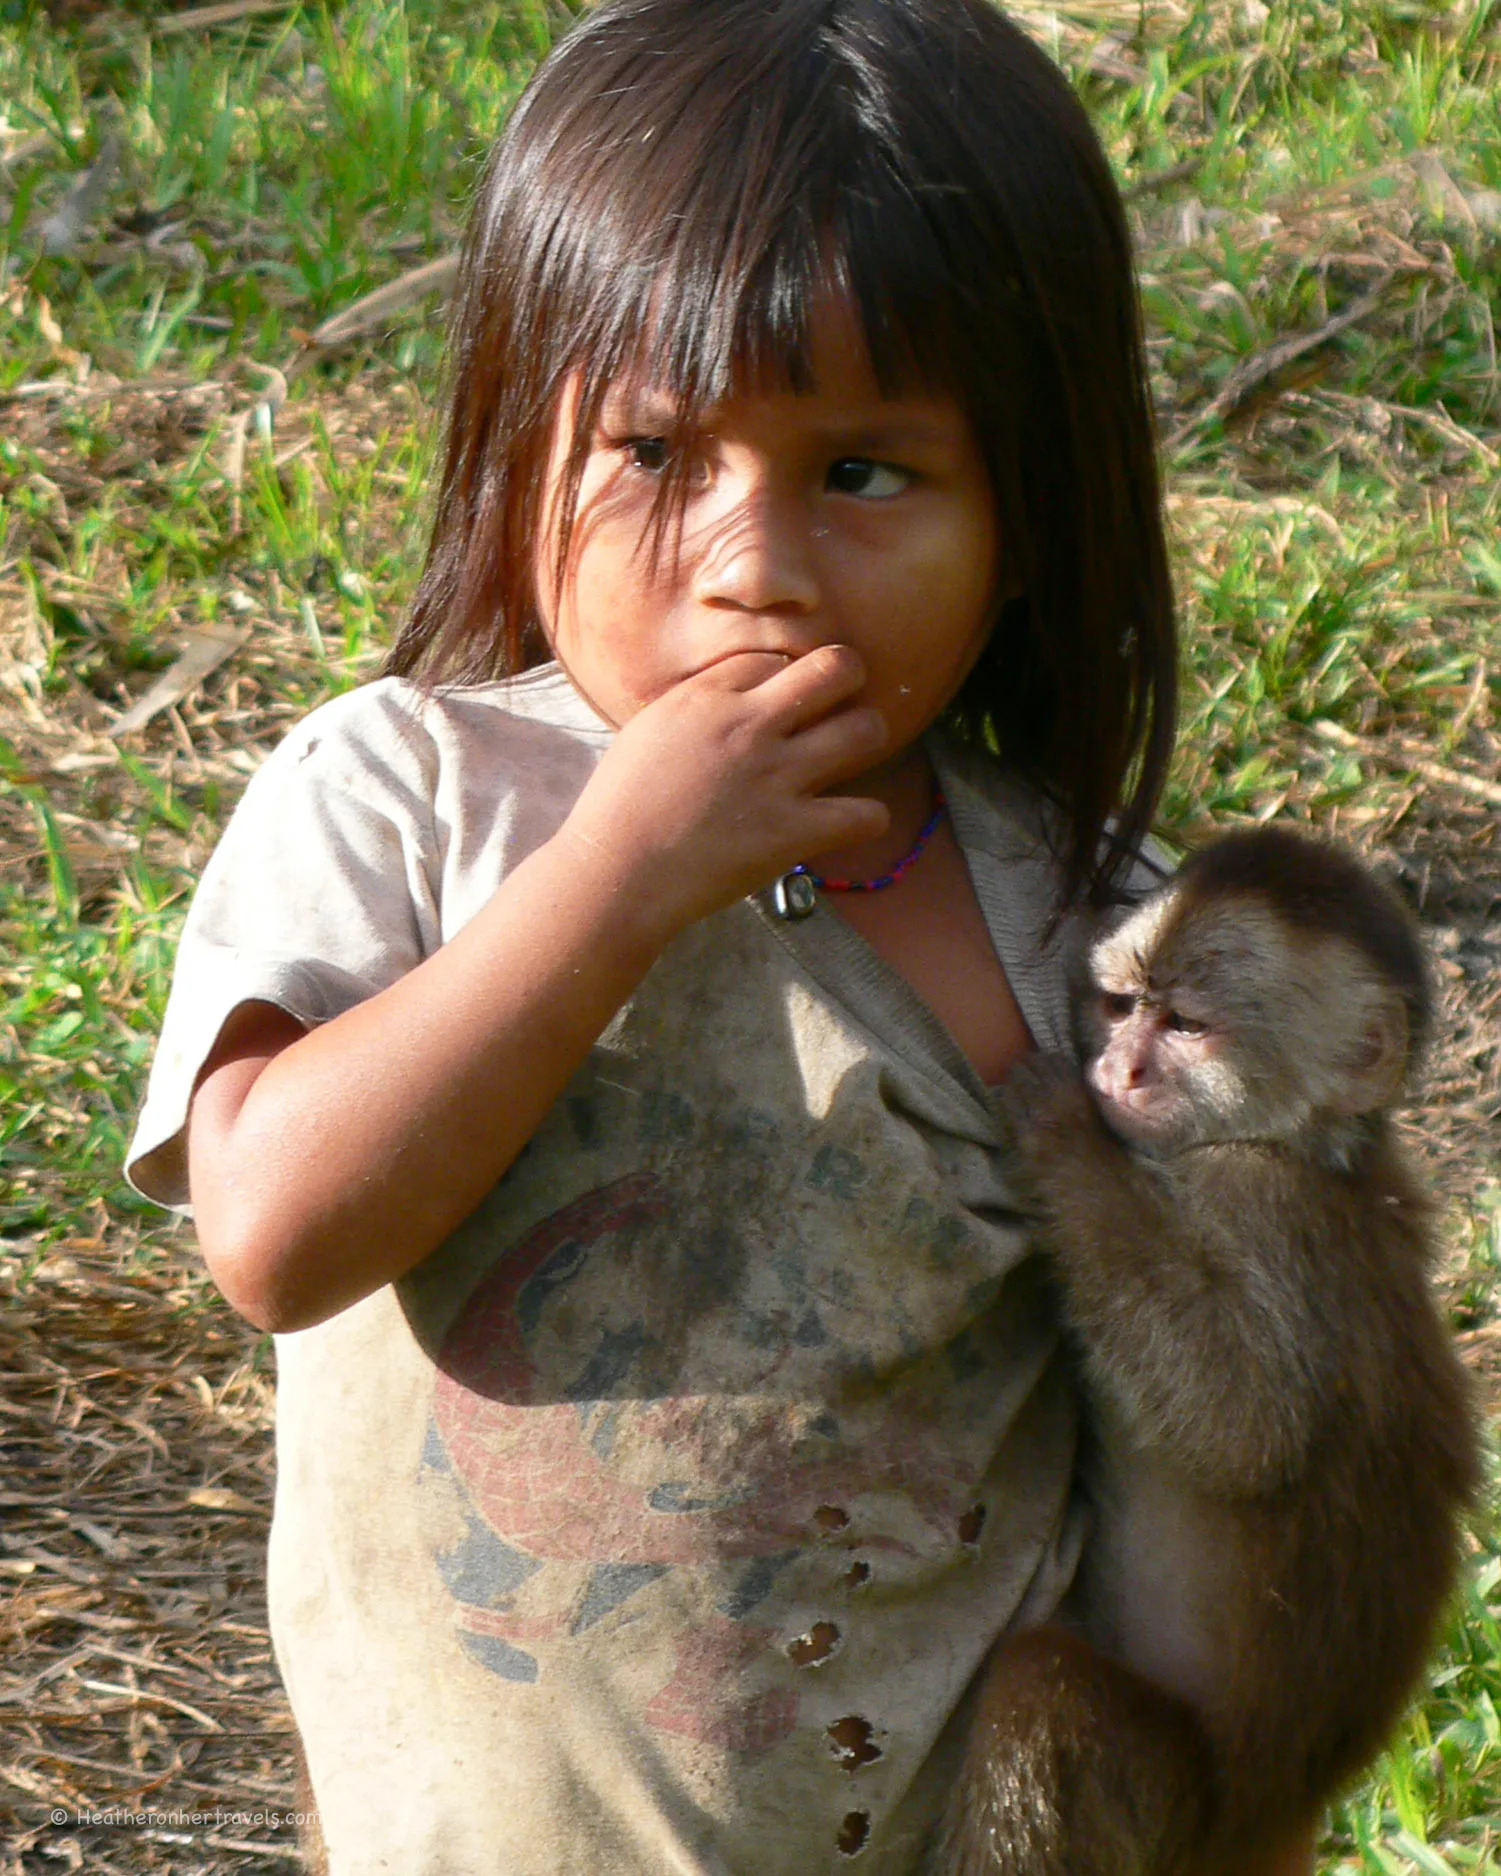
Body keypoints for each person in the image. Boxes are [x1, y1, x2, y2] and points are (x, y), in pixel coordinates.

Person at [125, 1, 1313, 1870]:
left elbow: (1223, 1451)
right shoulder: (406, 800)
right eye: (657, 449)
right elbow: (272, 1232)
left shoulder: (1083, 923)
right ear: (520, 450)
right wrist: (613, 879)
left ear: (1028, 517)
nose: (750, 561)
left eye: (863, 473)